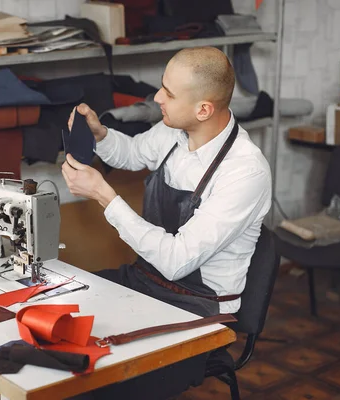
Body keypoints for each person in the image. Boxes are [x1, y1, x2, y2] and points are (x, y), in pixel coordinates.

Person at [63, 47, 272, 398]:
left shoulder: (244, 172)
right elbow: (132, 153)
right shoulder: (175, 131)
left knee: (92, 379)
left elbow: (177, 261)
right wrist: (100, 135)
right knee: (57, 319)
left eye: (169, 93)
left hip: (197, 311)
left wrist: (104, 196)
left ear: (203, 109)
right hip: (145, 282)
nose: (157, 97)